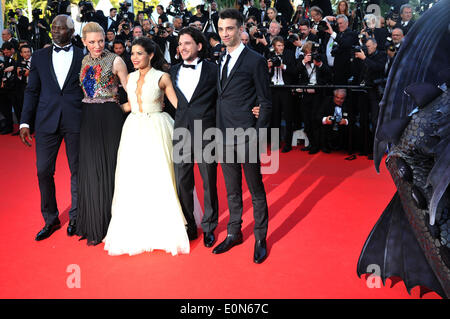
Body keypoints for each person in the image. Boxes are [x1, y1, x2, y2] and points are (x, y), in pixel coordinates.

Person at [103, 37, 191, 256]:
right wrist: (102, 109)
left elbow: (178, 106)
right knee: (133, 177)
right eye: (132, 53)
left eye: (139, 53)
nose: (134, 57)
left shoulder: (162, 77)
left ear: (151, 55)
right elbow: (129, 104)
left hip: (158, 128)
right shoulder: (129, 78)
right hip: (133, 129)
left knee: (160, 175)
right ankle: (138, 228)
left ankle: (165, 228)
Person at [19, 15, 84, 241]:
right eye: (54, 28)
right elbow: (32, 91)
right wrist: (25, 121)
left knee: (78, 170)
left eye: (61, 28)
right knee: (43, 170)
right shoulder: (39, 56)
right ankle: (50, 218)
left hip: (76, 119)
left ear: (72, 31)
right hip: (46, 121)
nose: (55, 31)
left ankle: (76, 216)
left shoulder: (83, 55)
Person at [214, 8, 271, 264]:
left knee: (255, 189)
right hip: (223, 134)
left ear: (240, 30)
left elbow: (266, 101)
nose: (225, 33)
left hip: (246, 134)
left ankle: (260, 237)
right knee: (232, 190)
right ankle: (234, 232)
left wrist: (259, 135)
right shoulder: (219, 59)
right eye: (221, 28)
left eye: (229, 28)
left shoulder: (255, 60)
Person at [75, 22, 129, 246]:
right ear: (84, 42)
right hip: (88, 117)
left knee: (110, 168)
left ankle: (111, 225)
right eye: (92, 42)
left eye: (101, 41)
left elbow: (131, 91)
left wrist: (121, 108)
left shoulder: (116, 60)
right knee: (90, 169)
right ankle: (93, 224)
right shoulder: (85, 60)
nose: (98, 45)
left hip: (110, 118)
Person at [169, 27, 219, 247]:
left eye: (187, 43)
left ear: (199, 46)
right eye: (180, 44)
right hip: (180, 131)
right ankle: (189, 225)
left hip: (207, 130)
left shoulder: (214, 69)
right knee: (182, 181)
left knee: (209, 180)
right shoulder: (171, 72)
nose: (182, 48)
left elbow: (222, 99)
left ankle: (209, 226)